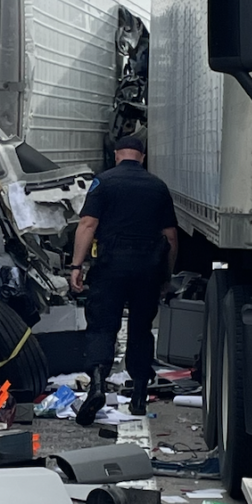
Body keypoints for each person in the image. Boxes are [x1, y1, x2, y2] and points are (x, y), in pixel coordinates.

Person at [69, 135, 179, 424]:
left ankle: (96, 385)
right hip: (148, 268)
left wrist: (76, 266)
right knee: (142, 328)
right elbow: (170, 236)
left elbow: (87, 224)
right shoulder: (158, 187)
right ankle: (140, 395)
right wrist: (165, 276)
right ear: (142, 156)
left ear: (117, 154)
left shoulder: (103, 182)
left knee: (103, 326)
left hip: (110, 266)